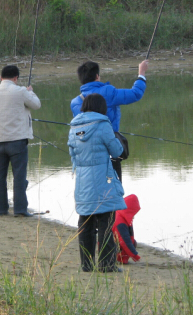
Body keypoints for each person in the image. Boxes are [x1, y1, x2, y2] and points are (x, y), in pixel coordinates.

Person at [68, 93, 126, 273]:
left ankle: (86, 264)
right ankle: (107, 265)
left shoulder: (73, 127)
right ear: (102, 108)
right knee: (106, 222)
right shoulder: (103, 124)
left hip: (82, 181)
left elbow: (72, 154)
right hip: (103, 179)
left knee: (85, 222)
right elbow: (116, 151)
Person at [70, 60, 149, 182]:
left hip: (85, 157)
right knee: (113, 191)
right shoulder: (107, 92)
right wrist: (141, 73)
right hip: (109, 152)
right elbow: (135, 94)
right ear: (97, 76)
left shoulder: (75, 102)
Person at [0, 65, 41, 217]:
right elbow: (36, 104)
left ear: (1, 77)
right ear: (15, 78)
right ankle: (20, 209)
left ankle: (1, 209)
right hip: (17, 141)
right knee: (19, 176)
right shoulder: (21, 91)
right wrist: (31, 92)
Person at [113, 194, 141, 264]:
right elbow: (125, 241)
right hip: (112, 245)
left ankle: (121, 259)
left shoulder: (120, 214)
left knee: (133, 242)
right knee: (127, 242)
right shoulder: (120, 221)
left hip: (114, 242)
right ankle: (117, 259)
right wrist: (134, 255)